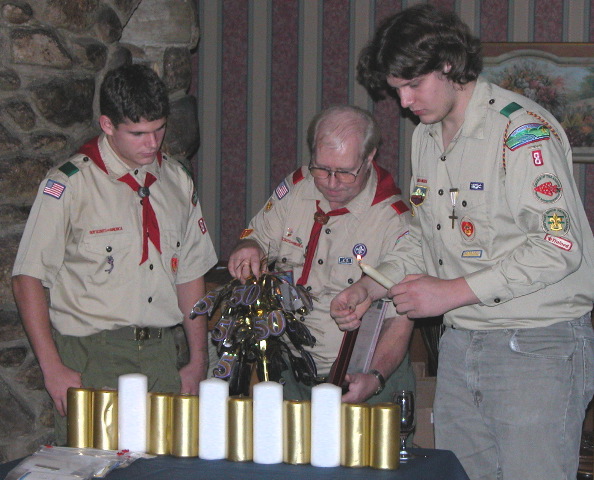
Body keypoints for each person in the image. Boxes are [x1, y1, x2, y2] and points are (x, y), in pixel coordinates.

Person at [330, 5, 594, 480]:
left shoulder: (519, 131)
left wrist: (451, 292)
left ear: (449, 64)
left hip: (535, 347)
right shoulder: (426, 136)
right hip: (460, 344)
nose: (405, 101)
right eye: (396, 89)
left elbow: (559, 245)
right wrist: (373, 285)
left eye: (414, 85)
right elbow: (426, 235)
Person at [12, 64, 217, 444]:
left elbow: (190, 274)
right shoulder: (69, 185)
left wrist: (196, 361)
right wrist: (51, 367)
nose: (152, 143)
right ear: (107, 125)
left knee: (166, 463)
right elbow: (27, 279)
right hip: (92, 356)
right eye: (138, 133)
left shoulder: (176, 180)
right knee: (94, 464)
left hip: (160, 354)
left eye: (159, 129)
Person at [226, 105, 415, 404]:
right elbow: (257, 238)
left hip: (360, 380)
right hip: (291, 374)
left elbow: (400, 321)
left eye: (344, 172)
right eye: (321, 169)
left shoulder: (394, 221)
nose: (330, 182)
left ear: (369, 158)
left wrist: (375, 377)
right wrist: (249, 247)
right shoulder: (297, 188)